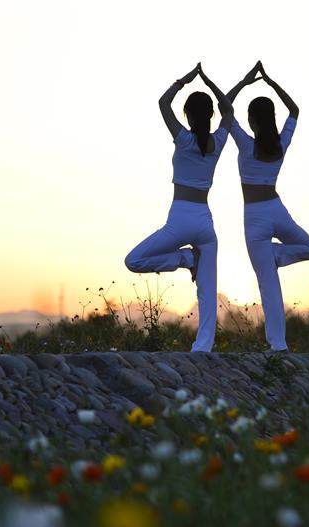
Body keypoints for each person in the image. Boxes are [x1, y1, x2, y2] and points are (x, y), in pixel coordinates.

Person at [124, 63, 233, 352]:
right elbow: (230, 112)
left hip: (180, 218)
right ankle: (203, 347)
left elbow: (162, 102)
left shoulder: (183, 139)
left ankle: (186, 261)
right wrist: (209, 83)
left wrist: (183, 81)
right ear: (209, 115)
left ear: (188, 114)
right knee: (207, 293)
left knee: (133, 261)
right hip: (205, 223)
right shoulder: (218, 141)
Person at [226, 61, 309, 352]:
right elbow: (295, 111)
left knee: (269, 287)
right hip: (277, 210)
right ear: (271, 119)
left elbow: (225, 107)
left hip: (255, 217)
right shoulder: (280, 143)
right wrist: (271, 83)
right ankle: (275, 255)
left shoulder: (245, 143)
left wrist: (246, 81)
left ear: (252, 121)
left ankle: (278, 346)